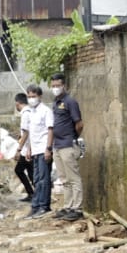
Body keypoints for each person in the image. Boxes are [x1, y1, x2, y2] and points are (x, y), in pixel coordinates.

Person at [49, 73, 85, 221]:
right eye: (53, 86)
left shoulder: (70, 102)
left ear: (64, 86)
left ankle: (77, 209)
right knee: (64, 179)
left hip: (68, 145)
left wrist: (73, 138)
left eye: (58, 85)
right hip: (57, 145)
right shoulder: (55, 102)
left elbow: (79, 124)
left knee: (73, 178)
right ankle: (68, 206)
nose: (55, 88)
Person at [22, 84, 55, 219]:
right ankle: (35, 206)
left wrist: (48, 148)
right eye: (29, 97)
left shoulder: (46, 111)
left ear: (40, 96)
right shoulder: (31, 112)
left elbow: (50, 130)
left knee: (43, 179)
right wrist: (29, 148)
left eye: (33, 96)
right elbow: (31, 132)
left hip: (43, 149)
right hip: (35, 150)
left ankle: (44, 206)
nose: (31, 99)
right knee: (36, 179)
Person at [11, 92, 34, 203]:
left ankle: (33, 194)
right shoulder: (31, 112)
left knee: (20, 170)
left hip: (27, 150)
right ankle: (34, 194)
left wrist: (18, 150)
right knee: (30, 172)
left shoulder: (25, 113)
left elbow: (26, 133)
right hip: (30, 148)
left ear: (17, 103)